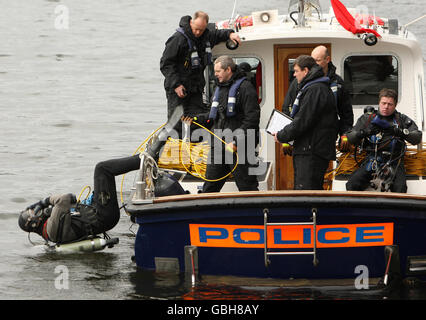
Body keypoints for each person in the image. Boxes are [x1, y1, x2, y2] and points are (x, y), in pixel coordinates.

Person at [18, 155, 141, 244]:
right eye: (34, 212)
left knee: (101, 177)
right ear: (34, 223)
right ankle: (144, 158)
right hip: (104, 216)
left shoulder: (51, 230)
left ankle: (145, 160)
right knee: (102, 169)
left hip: (101, 215)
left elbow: (70, 201)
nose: (38, 210)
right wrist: (43, 202)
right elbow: (63, 199)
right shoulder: (51, 228)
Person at [187, 55, 260, 192]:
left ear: (228, 70)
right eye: (214, 72)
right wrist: (195, 120)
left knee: (247, 187)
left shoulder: (245, 89)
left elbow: (252, 119)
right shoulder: (219, 89)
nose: (215, 75)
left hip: (240, 148)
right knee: (209, 187)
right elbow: (213, 115)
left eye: (218, 71)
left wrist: (237, 142)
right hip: (219, 146)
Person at [160, 11, 241, 134]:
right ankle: (158, 149)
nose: (198, 33)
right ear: (191, 23)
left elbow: (218, 35)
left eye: (201, 30)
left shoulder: (205, 37)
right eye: (196, 29)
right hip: (177, 89)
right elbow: (166, 64)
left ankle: (194, 148)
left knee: (197, 121)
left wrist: (230, 34)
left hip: (195, 90)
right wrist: (176, 85)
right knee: (175, 123)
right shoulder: (177, 39)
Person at [273, 55, 338, 190]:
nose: (295, 74)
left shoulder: (315, 90)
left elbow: (303, 120)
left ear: (306, 71)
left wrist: (282, 135)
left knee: (306, 192)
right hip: (309, 148)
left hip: (312, 150)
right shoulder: (314, 88)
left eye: (296, 71)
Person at [345, 88, 422, 193]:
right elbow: (351, 137)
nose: (386, 107)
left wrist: (399, 132)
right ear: (379, 102)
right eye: (384, 103)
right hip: (372, 161)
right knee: (352, 184)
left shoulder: (401, 119)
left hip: (394, 162)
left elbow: (417, 137)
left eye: (390, 104)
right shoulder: (368, 119)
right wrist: (365, 132)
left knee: (400, 188)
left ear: (395, 105)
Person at [282, 45, 353, 151]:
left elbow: (345, 112)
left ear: (327, 59)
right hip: (303, 139)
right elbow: (287, 107)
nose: (314, 64)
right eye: (312, 60)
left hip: (325, 138)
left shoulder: (337, 83)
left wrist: (345, 134)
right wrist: (286, 139)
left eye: (317, 60)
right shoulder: (299, 82)